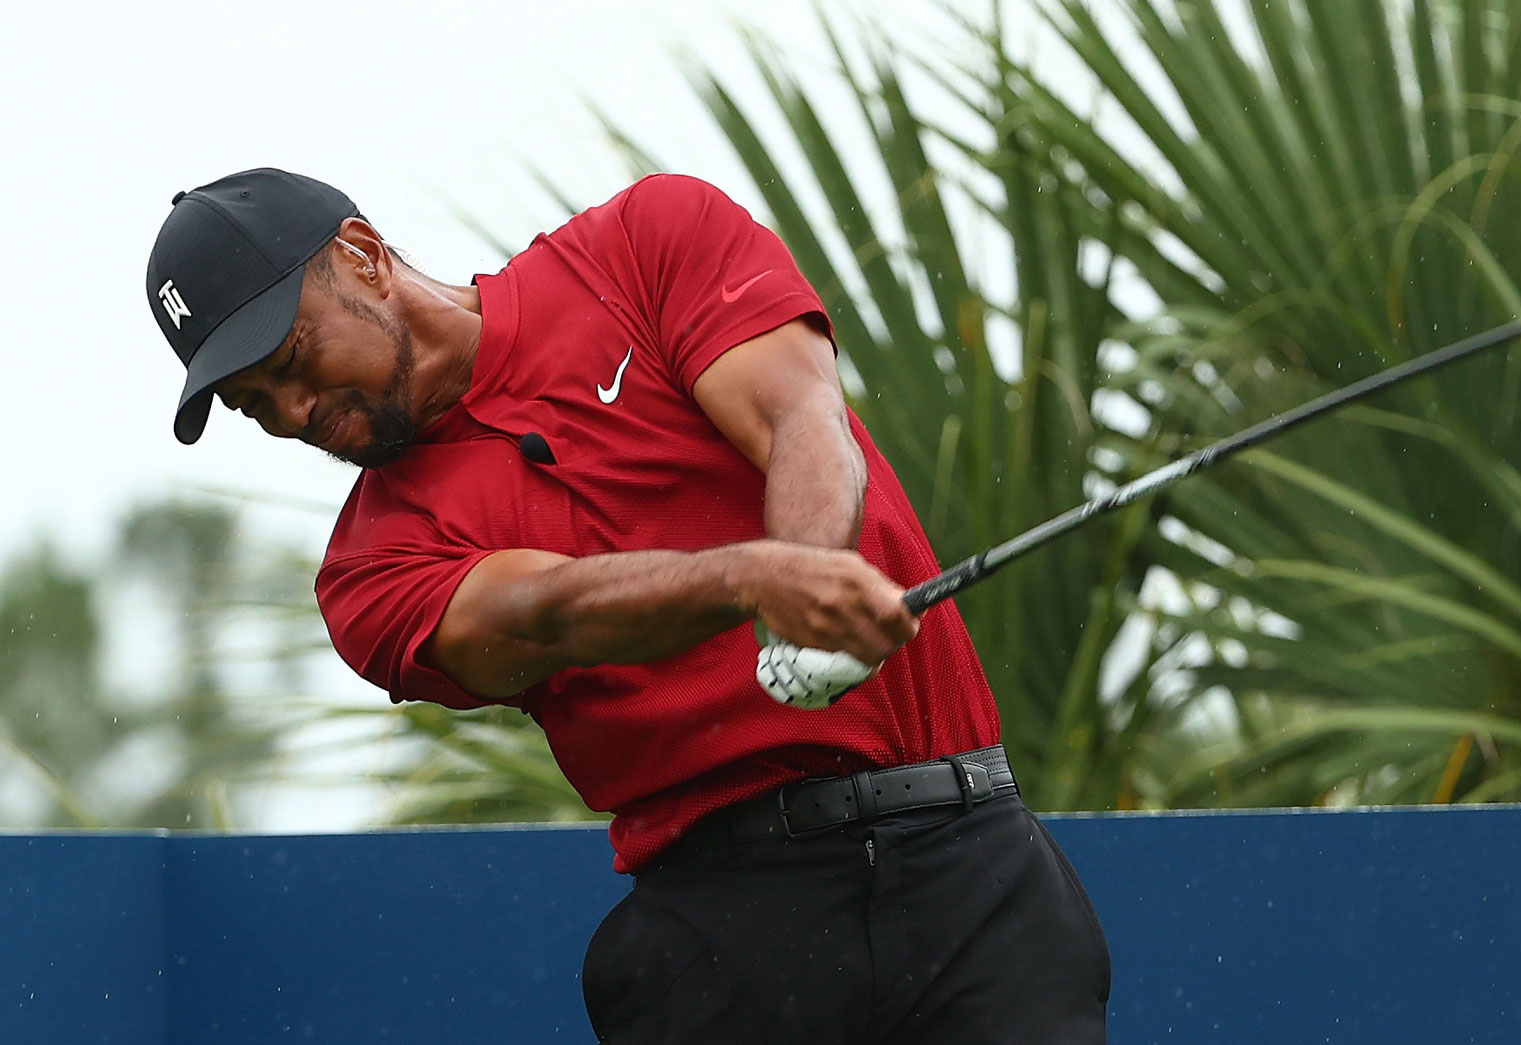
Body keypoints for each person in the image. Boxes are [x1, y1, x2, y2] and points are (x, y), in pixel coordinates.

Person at [143, 167, 1111, 1043]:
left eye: (293, 353)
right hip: (727, 936)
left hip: (972, 874)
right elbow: (539, 614)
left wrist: (809, 571)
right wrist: (753, 580)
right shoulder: (367, 569)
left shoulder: (645, 243)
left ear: (361, 256)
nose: (296, 409)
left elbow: (796, 414)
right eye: (256, 403)